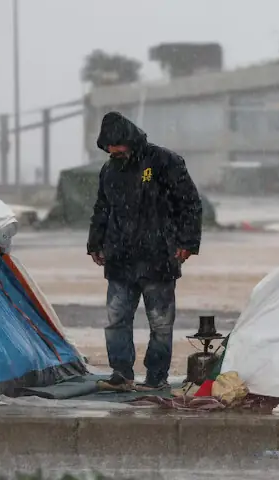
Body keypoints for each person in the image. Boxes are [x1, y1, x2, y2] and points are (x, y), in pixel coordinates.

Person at [87, 111, 202, 392]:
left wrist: (187, 243)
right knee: (116, 321)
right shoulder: (109, 170)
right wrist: (95, 243)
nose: (113, 151)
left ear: (128, 140)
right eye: (108, 148)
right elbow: (102, 209)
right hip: (119, 258)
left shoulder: (165, 161)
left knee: (161, 324)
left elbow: (190, 203)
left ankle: (156, 377)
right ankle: (121, 374)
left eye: (116, 146)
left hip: (159, 257)